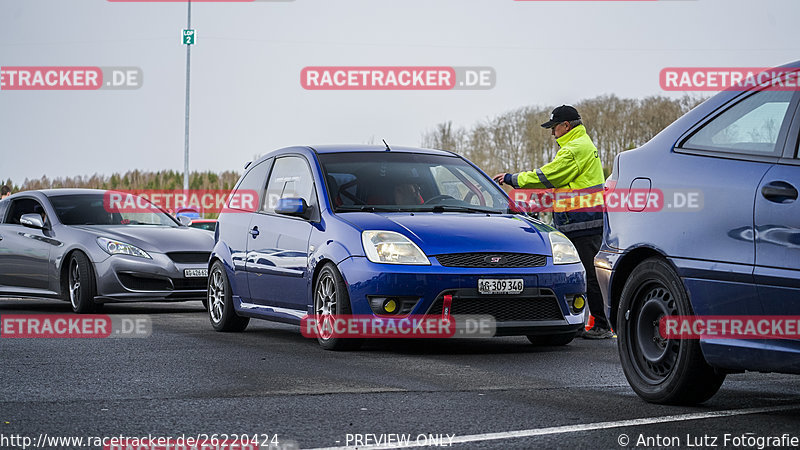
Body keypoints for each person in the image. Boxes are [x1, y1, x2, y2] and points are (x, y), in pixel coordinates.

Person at [493, 105, 613, 339]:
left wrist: (512, 178)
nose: (552, 133)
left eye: (553, 128)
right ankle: (585, 321)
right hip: (580, 221)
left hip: (583, 222)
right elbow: (565, 187)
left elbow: (548, 176)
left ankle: (600, 325)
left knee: (587, 274)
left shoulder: (575, 149)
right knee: (579, 274)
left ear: (566, 126)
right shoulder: (579, 146)